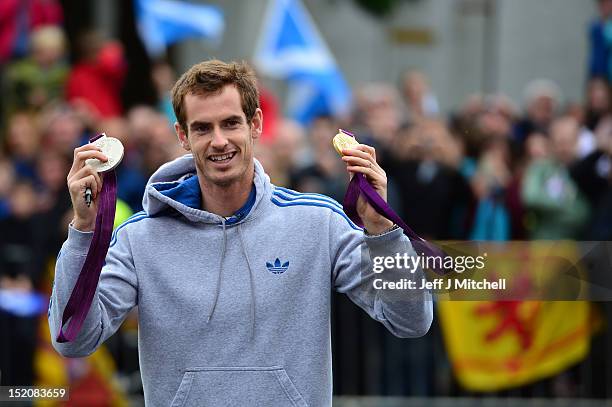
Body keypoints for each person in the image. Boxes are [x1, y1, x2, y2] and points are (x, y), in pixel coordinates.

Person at [48, 60, 432, 406]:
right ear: (183, 136)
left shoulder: (317, 223)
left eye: (230, 123)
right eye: (203, 128)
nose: (218, 141)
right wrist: (83, 230)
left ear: (256, 125)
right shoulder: (140, 239)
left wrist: (383, 230)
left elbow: (411, 320)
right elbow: (73, 340)